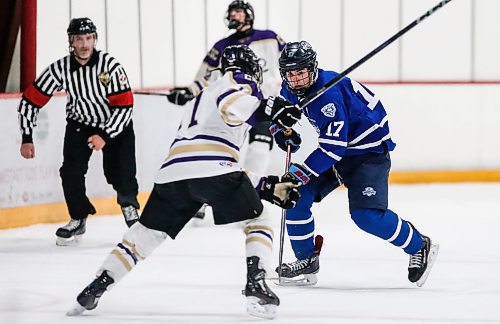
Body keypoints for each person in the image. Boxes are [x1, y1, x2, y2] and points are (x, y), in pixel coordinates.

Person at [66, 45, 301, 319]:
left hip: (173, 173)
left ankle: (98, 284)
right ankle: (256, 282)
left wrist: (266, 185)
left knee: (143, 237)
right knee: (258, 221)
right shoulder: (237, 81)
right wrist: (267, 108)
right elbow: (231, 107)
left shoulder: (200, 97)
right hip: (213, 167)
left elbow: (212, 163)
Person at [272, 41, 439, 287]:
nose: (296, 80)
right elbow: (278, 113)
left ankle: (419, 244)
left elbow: (333, 148)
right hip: (340, 149)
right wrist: (282, 131)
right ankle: (306, 259)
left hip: (366, 153)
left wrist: (300, 173)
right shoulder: (291, 88)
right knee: (294, 194)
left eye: (300, 73)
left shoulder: (328, 96)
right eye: (290, 74)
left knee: (366, 216)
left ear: (313, 68)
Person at [17, 18, 140, 246]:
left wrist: (104, 135)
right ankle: (78, 216)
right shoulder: (61, 68)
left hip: (114, 123)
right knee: (70, 172)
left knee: (120, 172)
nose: (84, 44)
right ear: (71, 42)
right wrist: (27, 136)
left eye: (89, 38)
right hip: (80, 124)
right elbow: (30, 101)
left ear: (94, 39)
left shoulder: (110, 67)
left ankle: (129, 208)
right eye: (79, 39)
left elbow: (124, 107)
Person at [166, 0, 286, 221]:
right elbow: (204, 79)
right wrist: (187, 92)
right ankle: (203, 198)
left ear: (248, 15)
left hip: (262, 107)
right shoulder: (222, 47)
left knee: (259, 153)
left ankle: (250, 200)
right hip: (230, 109)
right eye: (232, 12)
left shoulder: (269, 37)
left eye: (238, 12)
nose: (234, 15)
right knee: (224, 155)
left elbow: (288, 62)